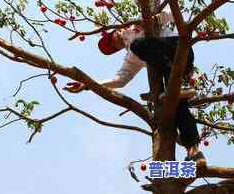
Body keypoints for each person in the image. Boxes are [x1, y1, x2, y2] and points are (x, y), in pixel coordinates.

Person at [70, 11, 206, 164]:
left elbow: (171, 12)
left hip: (178, 47)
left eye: (111, 39)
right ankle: (194, 152)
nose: (115, 41)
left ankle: (182, 83)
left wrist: (154, 19)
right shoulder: (131, 56)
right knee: (178, 107)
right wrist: (88, 84)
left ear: (114, 30)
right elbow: (120, 80)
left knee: (138, 45)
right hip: (173, 73)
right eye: (113, 45)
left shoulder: (135, 20)